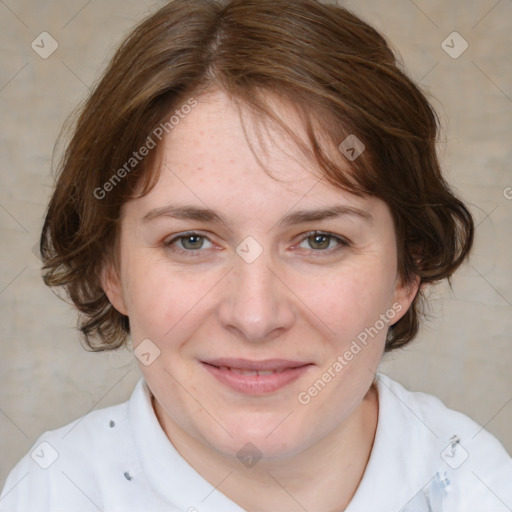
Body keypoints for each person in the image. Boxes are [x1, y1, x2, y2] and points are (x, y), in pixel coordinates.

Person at [1, 0, 511, 510]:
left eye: (320, 240)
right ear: (110, 269)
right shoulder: (50, 492)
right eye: (191, 240)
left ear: (406, 273)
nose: (254, 316)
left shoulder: (482, 488)